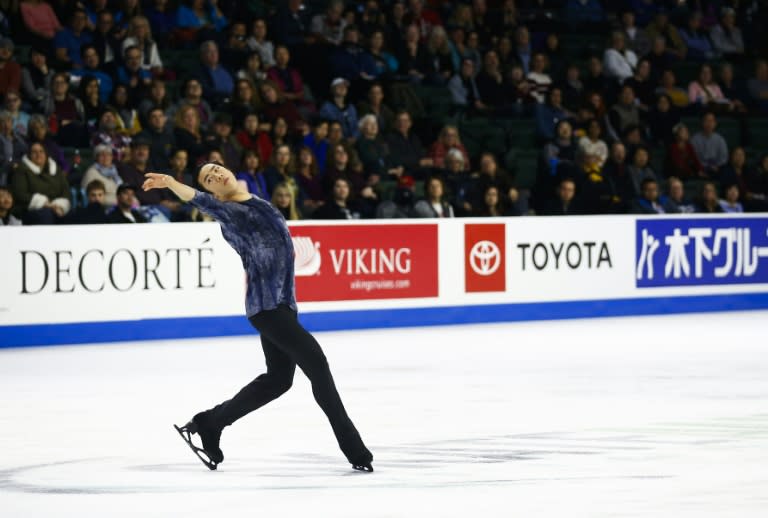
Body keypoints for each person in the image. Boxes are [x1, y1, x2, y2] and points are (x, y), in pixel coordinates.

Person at [142, 164, 373, 472]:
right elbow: (200, 201)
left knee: (278, 381)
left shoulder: (255, 201)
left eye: (217, 169)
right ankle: (354, 449)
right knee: (317, 363)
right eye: (209, 179)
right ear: (213, 190)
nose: (217, 175)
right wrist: (170, 181)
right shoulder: (229, 211)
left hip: (283, 306)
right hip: (267, 309)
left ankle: (210, 422)